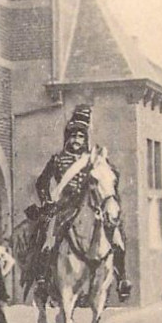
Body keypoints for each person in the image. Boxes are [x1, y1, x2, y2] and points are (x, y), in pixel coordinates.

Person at [33, 104, 132, 301]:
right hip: (64, 205)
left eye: (80, 137)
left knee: (117, 235)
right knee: (47, 236)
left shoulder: (92, 160)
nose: (76, 140)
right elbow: (41, 183)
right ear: (67, 138)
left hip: (90, 205)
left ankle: (122, 278)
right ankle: (43, 278)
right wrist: (47, 202)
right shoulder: (58, 160)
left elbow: (109, 177)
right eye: (73, 136)